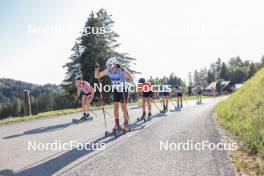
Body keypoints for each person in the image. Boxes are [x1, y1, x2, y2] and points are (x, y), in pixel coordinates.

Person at [94, 57, 133, 132]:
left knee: (123, 107)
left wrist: (126, 76)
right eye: (108, 66)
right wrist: (96, 70)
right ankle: (117, 124)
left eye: (110, 66)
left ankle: (125, 125)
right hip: (116, 89)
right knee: (115, 107)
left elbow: (130, 77)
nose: (109, 68)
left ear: (114, 65)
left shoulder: (121, 70)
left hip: (123, 89)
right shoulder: (108, 70)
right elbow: (97, 76)